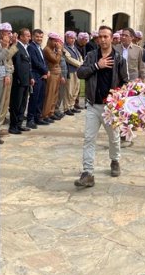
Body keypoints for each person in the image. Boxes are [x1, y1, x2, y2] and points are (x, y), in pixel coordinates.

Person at [74, 26, 129, 188]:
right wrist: (97, 66)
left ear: (112, 38)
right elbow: (80, 73)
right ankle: (88, 173)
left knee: (114, 137)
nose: (103, 39)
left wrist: (118, 99)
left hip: (110, 108)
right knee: (89, 139)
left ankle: (115, 160)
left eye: (106, 36)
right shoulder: (92, 56)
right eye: (100, 36)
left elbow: (125, 82)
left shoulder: (119, 59)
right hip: (93, 104)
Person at [8, 29, 34, 135]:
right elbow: (17, 64)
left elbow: (28, 65)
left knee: (23, 104)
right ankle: (13, 126)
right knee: (16, 104)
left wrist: (31, 77)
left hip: (26, 80)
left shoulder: (25, 48)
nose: (29, 38)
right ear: (21, 37)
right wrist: (18, 78)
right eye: (27, 36)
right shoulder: (17, 47)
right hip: (19, 80)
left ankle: (19, 124)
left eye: (29, 36)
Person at [27, 29, 49, 128]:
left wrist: (46, 72)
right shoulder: (31, 47)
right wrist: (45, 71)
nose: (39, 38)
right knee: (34, 98)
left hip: (42, 76)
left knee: (40, 98)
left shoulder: (39, 48)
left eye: (41, 37)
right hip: (36, 76)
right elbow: (35, 62)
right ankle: (30, 120)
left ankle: (37, 117)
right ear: (32, 37)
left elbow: (44, 62)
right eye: (37, 36)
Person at [41, 32, 65, 123]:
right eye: (55, 41)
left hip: (57, 74)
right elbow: (56, 61)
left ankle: (51, 112)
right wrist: (59, 50)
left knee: (55, 95)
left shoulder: (53, 50)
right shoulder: (47, 50)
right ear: (50, 40)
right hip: (52, 75)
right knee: (49, 95)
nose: (57, 44)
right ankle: (45, 114)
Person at [61, 31, 83, 116]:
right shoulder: (64, 48)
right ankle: (67, 108)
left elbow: (80, 56)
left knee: (76, 89)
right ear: (66, 38)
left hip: (77, 71)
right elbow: (68, 59)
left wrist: (82, 62)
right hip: (70, 71)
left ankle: (72, 106)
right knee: (69, 90)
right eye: (71, 38)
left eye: (74, 38)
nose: (73, 40)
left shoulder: (74, 47)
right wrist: (81, 64)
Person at [0, 23, 14, 141]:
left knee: (4, 102)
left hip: (4, 76)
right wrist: (5, 47)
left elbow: (7, 61)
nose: (10, 35)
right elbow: (0, 59)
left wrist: (7, 74)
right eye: (7, 33)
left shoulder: (5, 45)